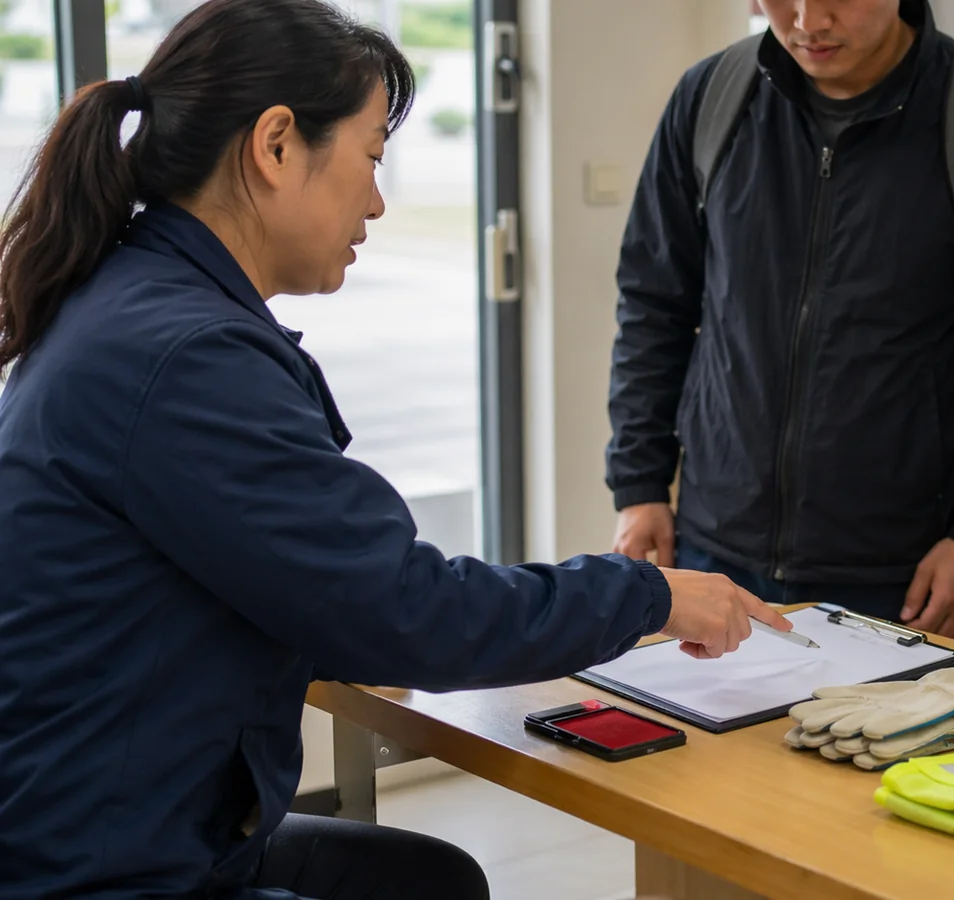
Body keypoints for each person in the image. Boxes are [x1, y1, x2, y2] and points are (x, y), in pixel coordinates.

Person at [0, 2, 790, 898]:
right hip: (101, 868)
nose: (377, 199)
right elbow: (402, 611)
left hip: (109, 818)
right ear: (275, 145)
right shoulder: (187, 356)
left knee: (430, 880)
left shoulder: (136, 299)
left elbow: (322, 577)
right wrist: (649, 597)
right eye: (371, 157)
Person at [606, 0, 954, 638]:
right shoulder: (712, 97)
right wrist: (639, 486)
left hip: (900, 573)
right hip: (712, 551)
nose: (807, 21)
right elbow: (653, 305)